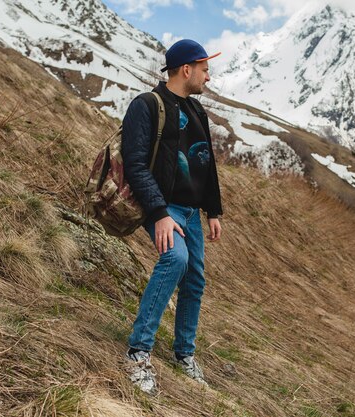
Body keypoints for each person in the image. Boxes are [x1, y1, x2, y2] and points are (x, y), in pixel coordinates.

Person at [120, 39, 223, 395]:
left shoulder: (198, 113)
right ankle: (138, 352)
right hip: (163, 207)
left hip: (192, 213)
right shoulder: (146, 105)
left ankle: (184, 355)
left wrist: (213, 210)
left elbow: (205, 165)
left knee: (195, 281)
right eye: (206, 69)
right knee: (175, 259)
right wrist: (160, 213)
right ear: (186, 69)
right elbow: (134, 164)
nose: (209, 77)